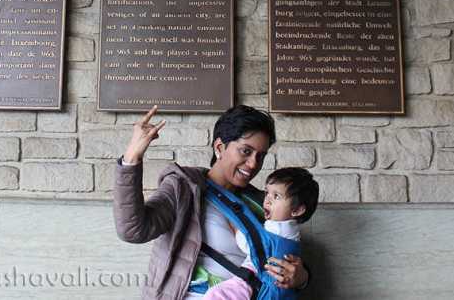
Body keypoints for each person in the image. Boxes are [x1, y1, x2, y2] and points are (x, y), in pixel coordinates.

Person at [113, 105, 311, 299]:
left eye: (260, 156)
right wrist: (132, 157)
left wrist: (302, 277)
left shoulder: (263, 203)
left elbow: (279, 251)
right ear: (220, 147)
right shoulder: (183, 187)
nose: (253, 164)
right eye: (245, 151)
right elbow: (133, 230)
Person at [203, 167, 319, 300]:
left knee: (216, 295)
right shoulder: (289, 230)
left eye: (276, 196)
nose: (267, 200)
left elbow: (251, 243)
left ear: (297, 210)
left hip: (253, 284)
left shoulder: (277, 228)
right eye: (266, 193)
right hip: (258, 284)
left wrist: (234, 224)